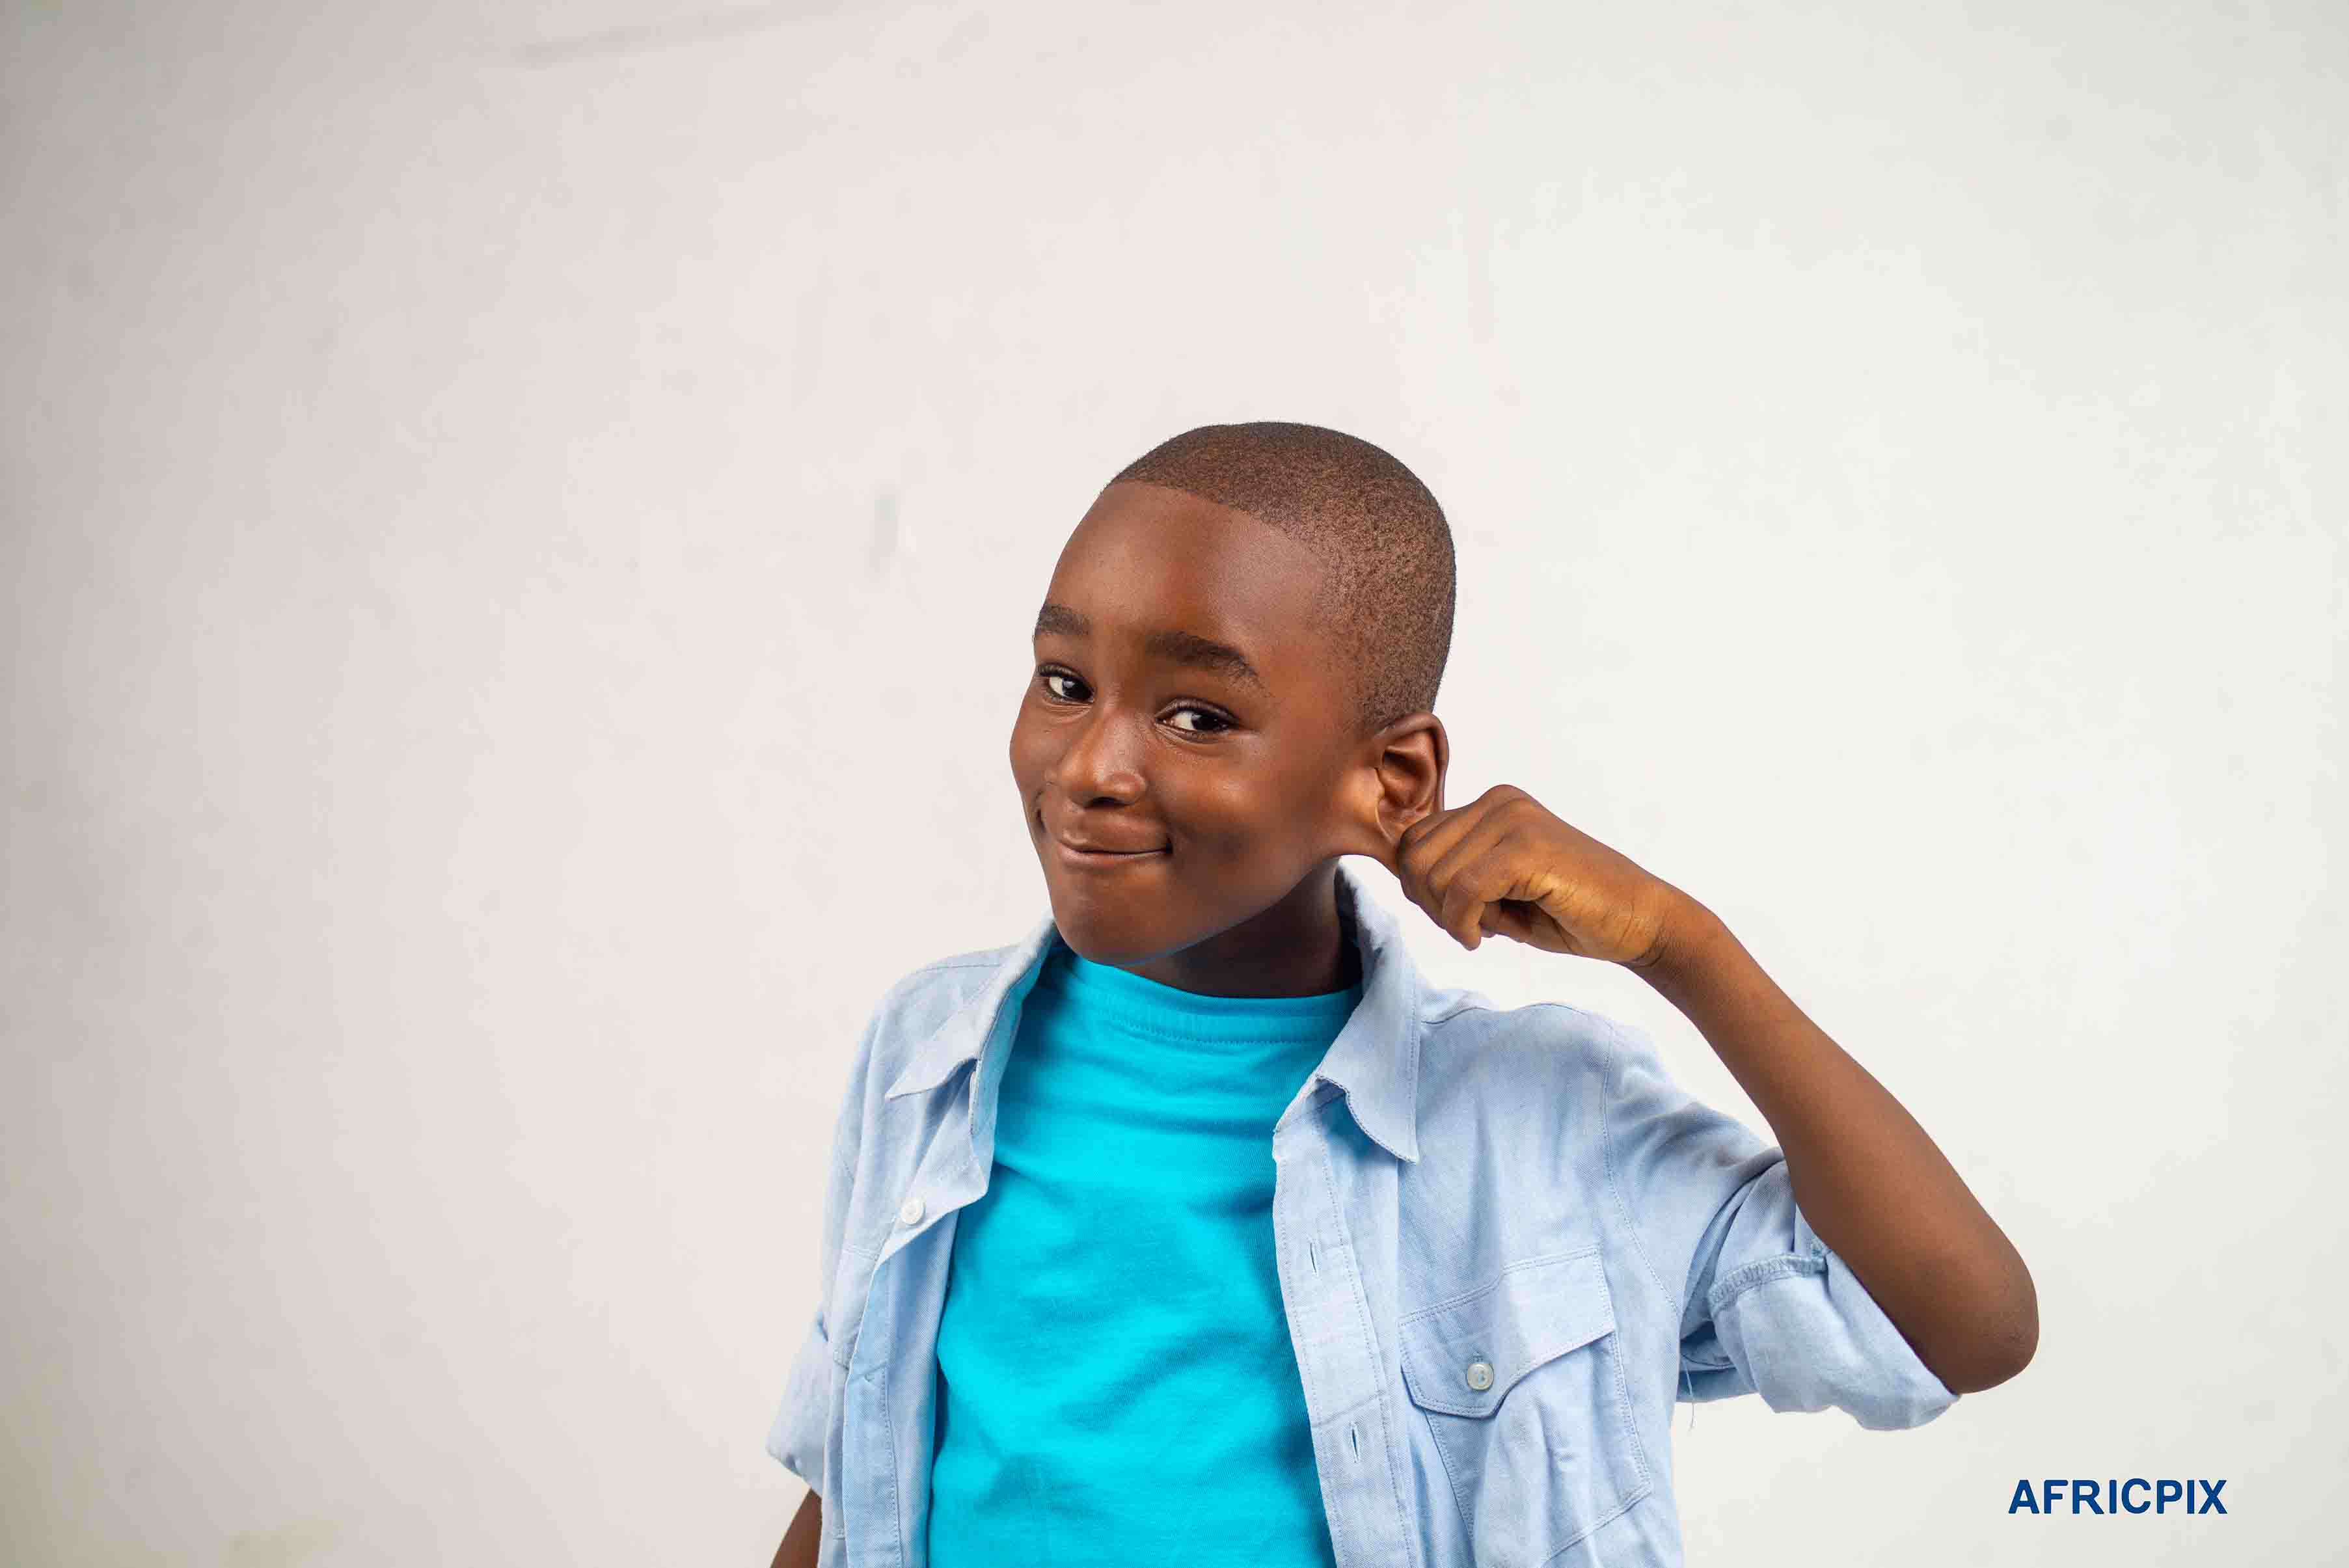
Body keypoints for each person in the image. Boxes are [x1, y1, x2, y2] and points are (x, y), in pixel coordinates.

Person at [761, 422, 2036, 1568]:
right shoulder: (924, 1053)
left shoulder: (1540, 1120)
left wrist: (1680, 943)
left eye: (1197, 714)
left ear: (1390, 778)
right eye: (1062, 681)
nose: (1090, 764)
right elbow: (860, 1451)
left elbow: (1955, 1330)